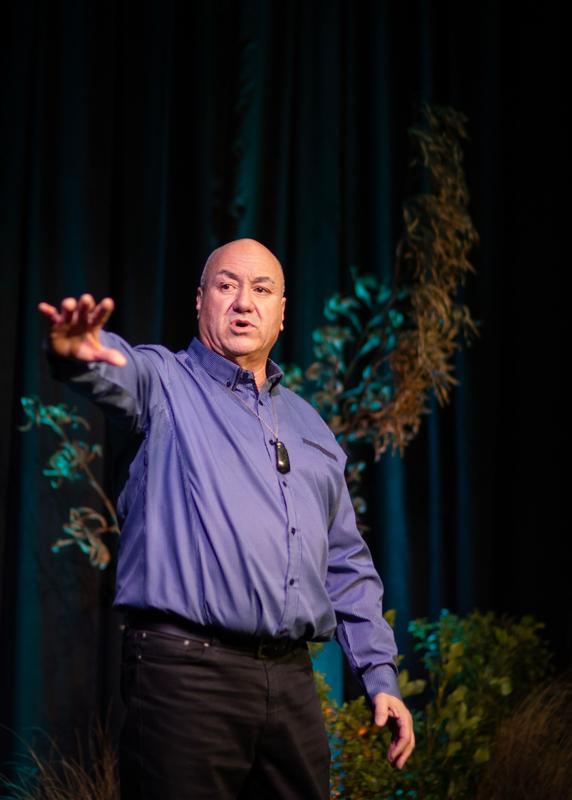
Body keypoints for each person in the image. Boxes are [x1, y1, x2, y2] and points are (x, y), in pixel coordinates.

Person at [39, 238, 414, 800]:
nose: (244, 302)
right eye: (227, 285)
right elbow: (115, 369)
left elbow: (345, 561)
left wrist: (379, 677)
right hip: (185, 677)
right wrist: (78, 352)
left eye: (262, 289)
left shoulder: (310, 425)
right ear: (200, 301)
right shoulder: (164, 382)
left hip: (290, 683)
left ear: (282, 313)